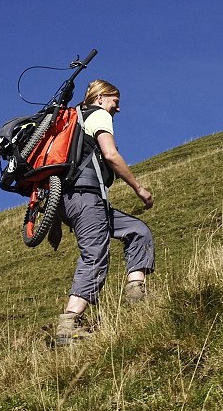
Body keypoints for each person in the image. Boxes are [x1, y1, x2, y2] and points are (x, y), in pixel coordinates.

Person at [52, 79, 155, 346]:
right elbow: (110, 155)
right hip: (86, 197)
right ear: (100, 98)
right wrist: (138, 188)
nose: (117, 109)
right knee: (95, 254)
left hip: (70, 200)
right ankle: (69, 323)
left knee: (137, 230)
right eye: (115, 102)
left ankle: (137, 293)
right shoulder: (97, 115)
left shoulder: (72, 121)